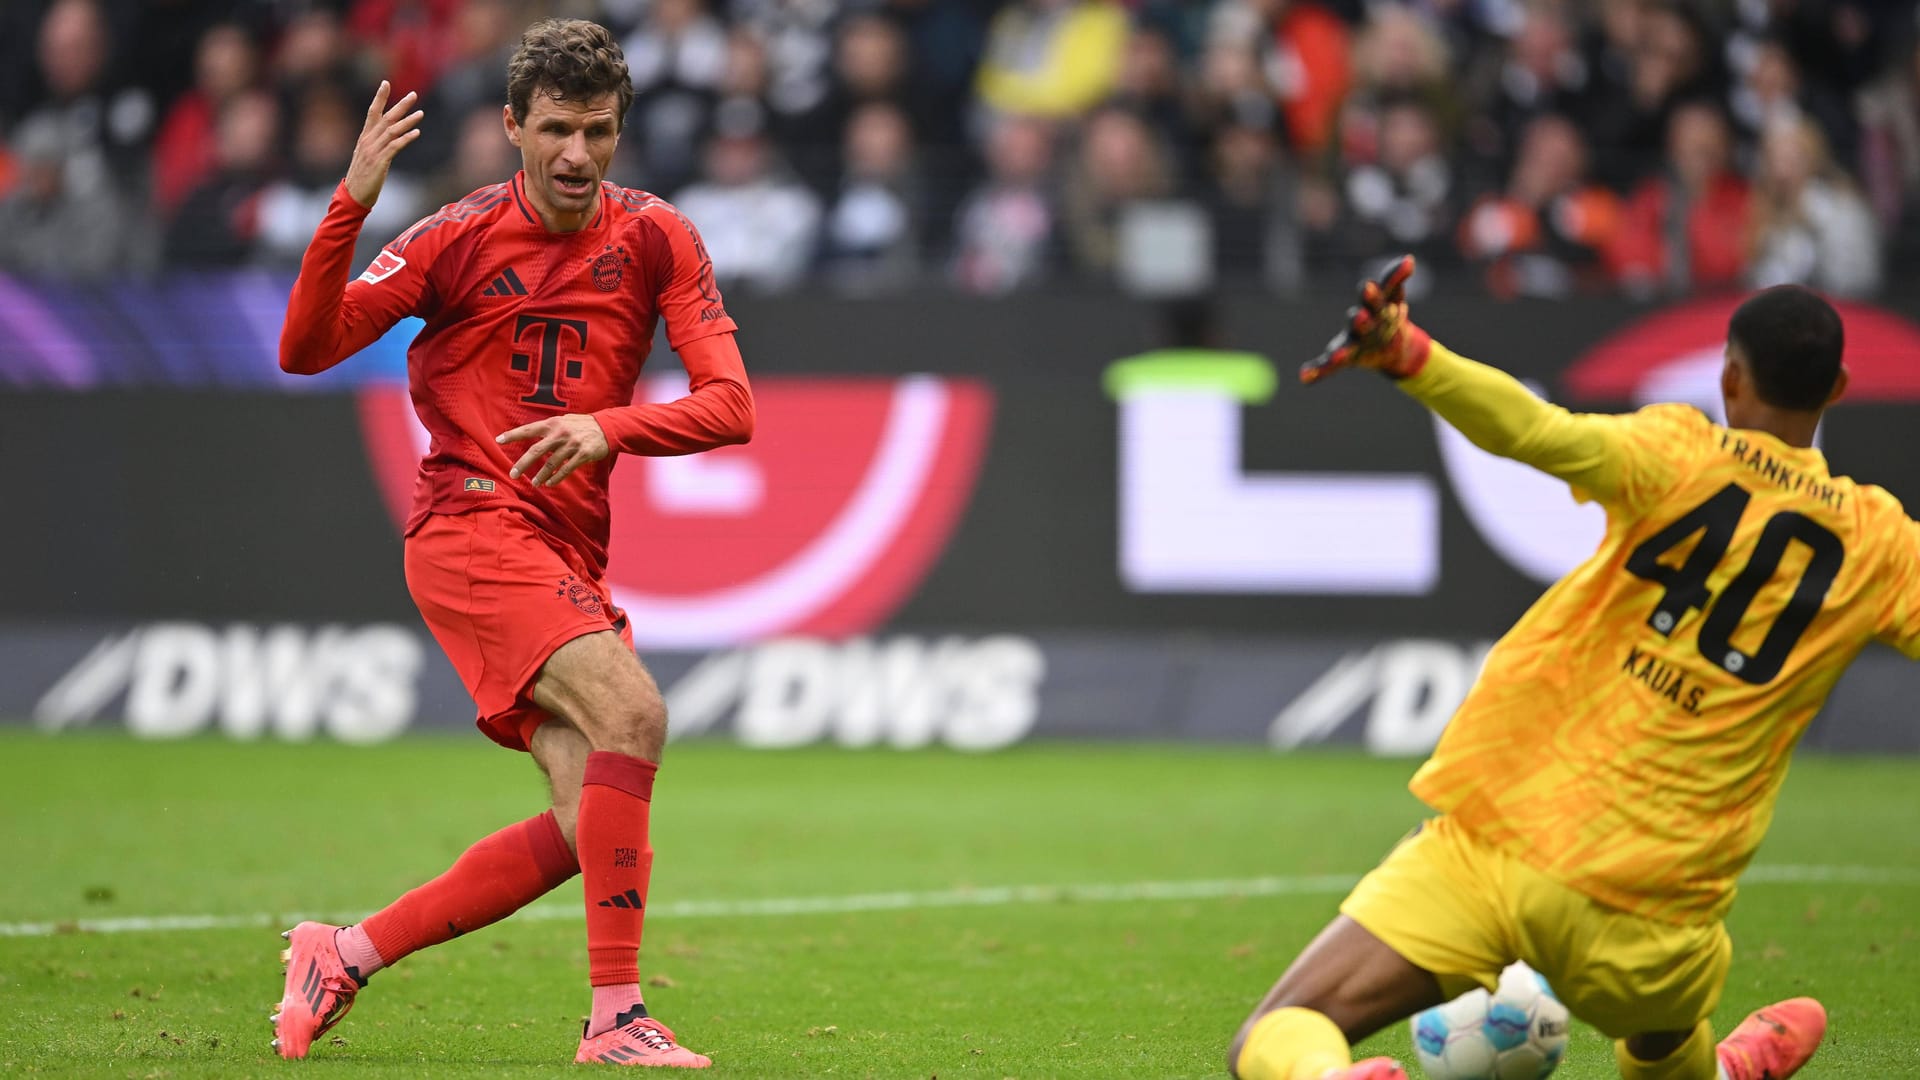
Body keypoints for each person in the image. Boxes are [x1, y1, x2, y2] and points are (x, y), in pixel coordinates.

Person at [1228, 256, 1900, 1080]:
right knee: (1661, 1032)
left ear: (1728, 378)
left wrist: (1408, 354)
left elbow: (1534, 430)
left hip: (1508, 844)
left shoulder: (1677, 454)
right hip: (1660, 918)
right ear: (1838, 388)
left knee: (1289, 1025)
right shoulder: (1880, 546)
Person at [271, 17, 753, 1069]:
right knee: (636, 709)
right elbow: (305, 349)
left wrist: (606, 427)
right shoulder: (453, 238)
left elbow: (732, 407)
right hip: (471, 523)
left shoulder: (659, 236)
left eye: (597, 131)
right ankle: (617, 1018)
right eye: (555, 130)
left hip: (567, 549)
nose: (577, 154)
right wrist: (351, 202)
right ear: (511, 129)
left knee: (595, 823)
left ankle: (342, 952)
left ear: (619, 130)